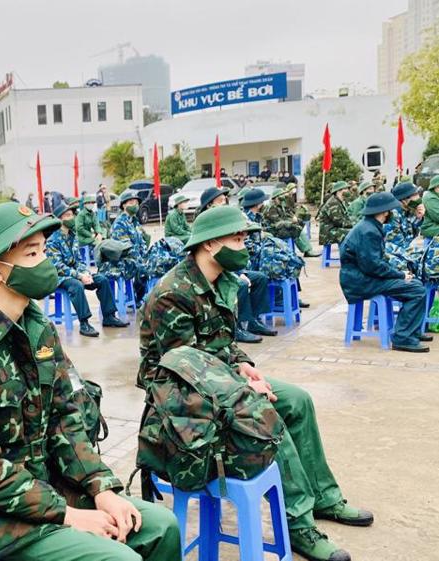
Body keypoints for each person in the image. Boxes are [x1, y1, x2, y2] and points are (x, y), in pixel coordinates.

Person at [0, 201, 181, 561]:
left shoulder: (39, 329)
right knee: (118, 558)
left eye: (44, 250)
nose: (46, 263)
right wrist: (68, 515)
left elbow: (67, 419)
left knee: (160, 527)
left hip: (50, 489)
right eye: (33, 253)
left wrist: (102, 488)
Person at [139, 206, 372, 561]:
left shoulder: (222, 280)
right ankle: (298, 525)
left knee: (297, 399)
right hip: (177, 399)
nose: (244, 245)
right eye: (237, 238)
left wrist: (244, 366)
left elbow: (220, 343)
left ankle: (324, 497)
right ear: (211, 245)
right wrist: (242, 389)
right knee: (264, 415)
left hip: (217, 381)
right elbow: (184, 367)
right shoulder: (172, 293)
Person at [340, 192, 430, 353]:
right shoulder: (368, 231)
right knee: (416, 290)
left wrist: (399, 272)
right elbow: (372, 266)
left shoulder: (370, 226)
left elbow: (377, 262)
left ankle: (411, 331)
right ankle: (403, 338)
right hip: (361, 281)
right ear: (384, 212)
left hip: (364, 277)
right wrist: (400, 275)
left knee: (415, 283)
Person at [198, 187, 276, 343]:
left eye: (225, 200)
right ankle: (237, 327)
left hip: (228, 268)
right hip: (214, 270)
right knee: (239, 284)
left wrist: (240, 270)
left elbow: (233, 251)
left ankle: (253, 320)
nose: (224, 203)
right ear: (209, 205)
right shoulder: (206, 224)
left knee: (260, 278)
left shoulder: (225, 221)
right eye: (220, 200)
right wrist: (238, 274)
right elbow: (216, 256)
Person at [47, 203, 129, 337]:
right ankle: (84, 323)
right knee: (77, 285)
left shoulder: (73, 236)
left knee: (101, 279)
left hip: (76, 273)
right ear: (59, 220)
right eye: (67, 215)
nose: (71, 217)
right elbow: (58, 266)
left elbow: (78, 261)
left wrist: (86, 272)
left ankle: (109, 316)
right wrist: (79, 276)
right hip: (60, 277)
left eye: (72, 214)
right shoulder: (52, 240)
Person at [107, 190, 149, 303]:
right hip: (122, 260)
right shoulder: (120, 223)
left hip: (134, 258)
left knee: (154, 265)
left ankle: (140, 296)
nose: (134, 205)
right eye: (131, 202)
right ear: (124, 205)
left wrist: (146, 256)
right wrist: (142, 260)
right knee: (143, 269)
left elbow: (142, 243)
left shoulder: (135, 222)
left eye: (136, 202)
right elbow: (126, 248)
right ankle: (137, 298)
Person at [263, 183, 320, 257]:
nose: (283, 197)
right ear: (276, 197)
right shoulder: (271, 208)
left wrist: (292, 221)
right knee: (295, 229)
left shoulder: (280, 205)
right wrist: (289, 224)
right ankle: (307, 251)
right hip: (273, 230)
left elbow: (285, 217)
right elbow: (277, 223)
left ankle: (308, 250)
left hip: (280, 227)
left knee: (298, 225)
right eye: (281, 195)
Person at [384, 181, 425, 248]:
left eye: (418, 194)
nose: (418, 197)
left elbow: (422, 232)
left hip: (412, 249)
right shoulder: (392, 216)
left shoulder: (410, 209)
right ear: (403, 200)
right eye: (414, 195)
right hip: (400, 254)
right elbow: (396, 246)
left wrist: (421, 218)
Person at [317, 181, 354, 248]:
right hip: (328, 233)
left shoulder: (339, 201)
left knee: (356, 231)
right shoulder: (333, 203)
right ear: (338, 191)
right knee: (354, 232)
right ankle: (347, 255)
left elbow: (345, 218)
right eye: (345, 189)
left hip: (334, 229)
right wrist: (353, 225)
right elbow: (339, 221)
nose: (347, 191)